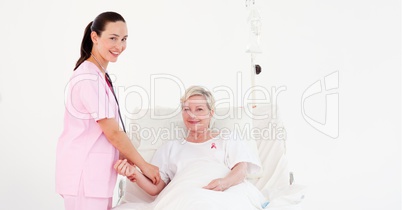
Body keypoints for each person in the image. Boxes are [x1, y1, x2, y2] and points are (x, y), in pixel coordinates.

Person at [55, 11, 160, 210]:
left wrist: (130, 162)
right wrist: (144, 166)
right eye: (113, 38)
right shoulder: (88, 78)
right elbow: (112, 132)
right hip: (84, 175)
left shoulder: (99, 76)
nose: (119, 46)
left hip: (96, 176)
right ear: (94, 37)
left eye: (124, 39)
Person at [114, 86, 265, 210]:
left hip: (225, 192)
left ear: (211, 112)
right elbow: (156, 188)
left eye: (199, 109)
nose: (192, 115)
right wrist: (134, 173)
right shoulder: (171, 148)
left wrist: (223, 183)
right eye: (186, 109)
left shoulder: (226, 138)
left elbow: (241, 169)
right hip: (185, 195)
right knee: (194, 202)